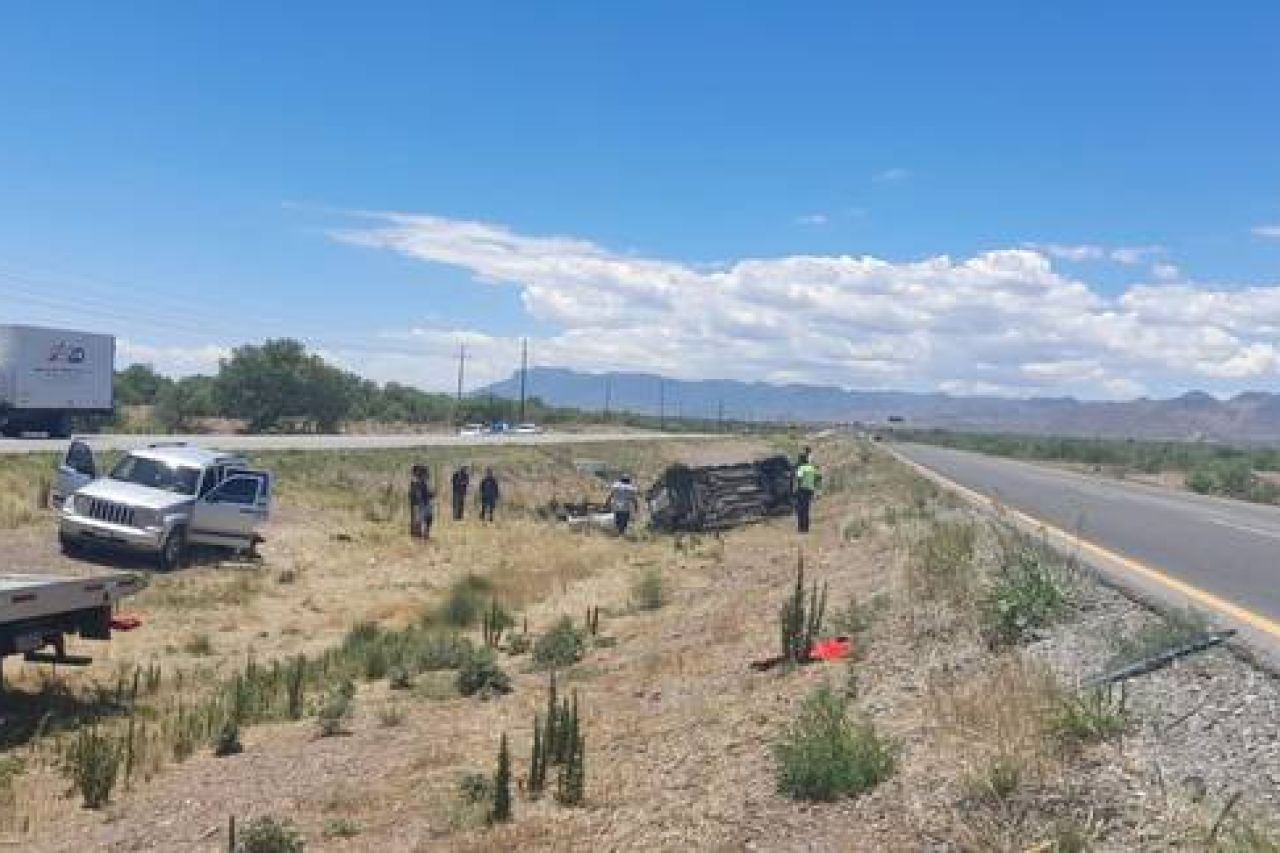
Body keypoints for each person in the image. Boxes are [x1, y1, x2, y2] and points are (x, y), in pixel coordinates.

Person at [794, 452, 821, 534]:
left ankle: (800, 528)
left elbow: (798, 479)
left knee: (800, 509)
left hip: (801, 490)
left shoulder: (801, 468)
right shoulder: (813, 468)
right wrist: (818, 490)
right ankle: (806, 528)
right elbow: (818, 478)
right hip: (810, 490)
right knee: (806, 509)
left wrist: (795, 490)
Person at [409, 465, 435, 540]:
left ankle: (423, 534)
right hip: (418, 505)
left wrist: (431, 495)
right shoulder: (415, 483)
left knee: (427, 519)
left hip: (423, 504)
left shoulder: (422, 483)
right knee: (418, 521)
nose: (427, 476)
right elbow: (416, 495)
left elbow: (425, 494)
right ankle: (419, 536)